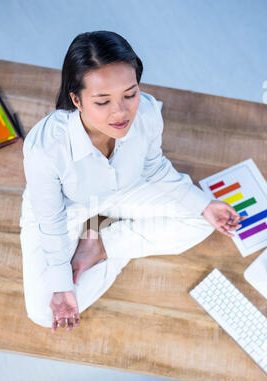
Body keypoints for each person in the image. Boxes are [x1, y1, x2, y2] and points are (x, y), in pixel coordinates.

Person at [19, 30, 246, 334]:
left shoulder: (148, 110)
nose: (121, 112)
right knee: (42, 312)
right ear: (76, 99)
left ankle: (102, 242)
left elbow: (153, 169)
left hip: (125, 191)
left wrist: (204, 204)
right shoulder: (44, 148)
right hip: (67, 210)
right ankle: (101, 227)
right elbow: (50, 220)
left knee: (203, 218)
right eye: (103, 101)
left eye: (130, 94)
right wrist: (61, 285)